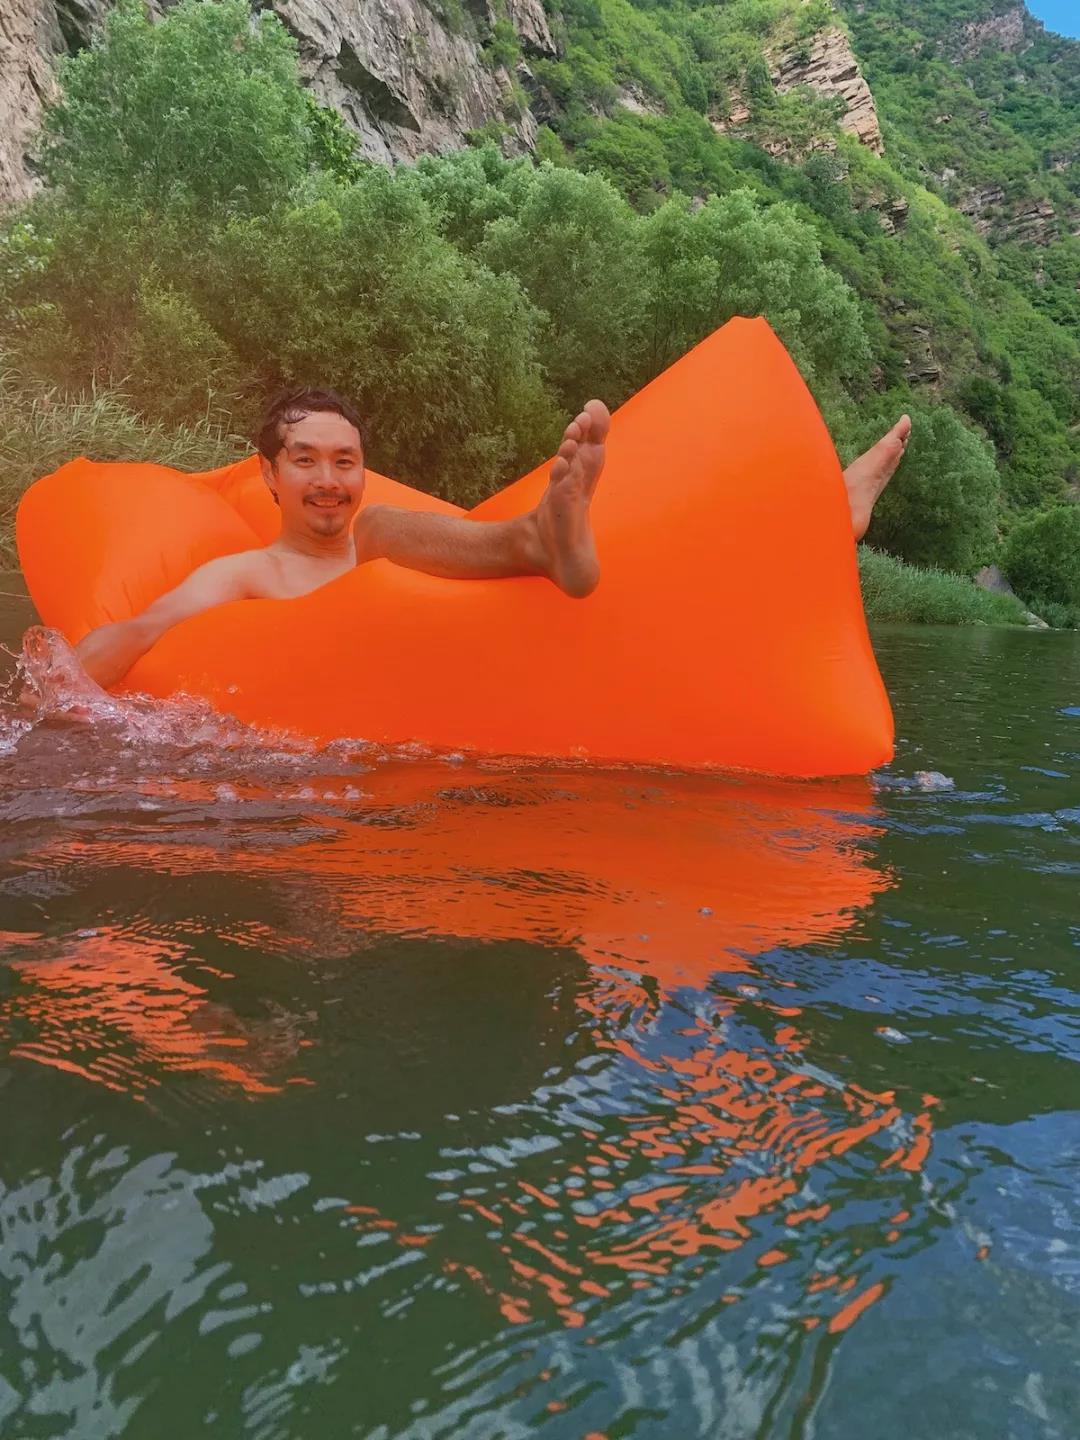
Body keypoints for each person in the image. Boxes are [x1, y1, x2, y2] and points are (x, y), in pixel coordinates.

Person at [73, 387, 911, 689]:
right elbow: (139, 633)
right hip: (373, 759)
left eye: (345, 461)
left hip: (466, 644)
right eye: (305, 461)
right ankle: (534, 543)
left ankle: (822, 524)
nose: (329, 479)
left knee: (636, 566)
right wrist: (46, 703)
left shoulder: (408, 538)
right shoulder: (248, 574)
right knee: (384, 536)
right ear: (268, 475)